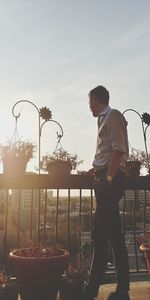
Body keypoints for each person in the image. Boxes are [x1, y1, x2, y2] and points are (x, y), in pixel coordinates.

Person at [83, 85, 130, 300]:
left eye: (90, 101)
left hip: (108, 182)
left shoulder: (112, 115)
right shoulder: (103, 118)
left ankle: (91, 291)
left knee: (101, 236)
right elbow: (109, 150)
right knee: (111, 236)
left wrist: (108, 178)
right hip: (103, 179)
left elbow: (119, 150)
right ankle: (120, 289)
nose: (88, 105)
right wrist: (98, 168)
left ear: (96, 99)